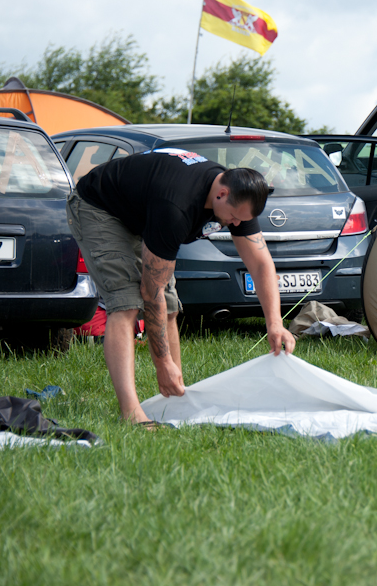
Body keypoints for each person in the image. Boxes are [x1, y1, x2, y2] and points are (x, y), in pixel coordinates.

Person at [66, 148, 296, 426]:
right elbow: (151, 294)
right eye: (234, 217)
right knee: (126, 303)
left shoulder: (241, 197)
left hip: (144, 213)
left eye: (241, 220)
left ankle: (176, 397)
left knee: (171, 307)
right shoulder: (176, 205)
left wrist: (274, 323)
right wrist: (162, 364)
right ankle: (131, 413)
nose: (235, 224)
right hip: (100, 208)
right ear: (221, 193)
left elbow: (260, 264)